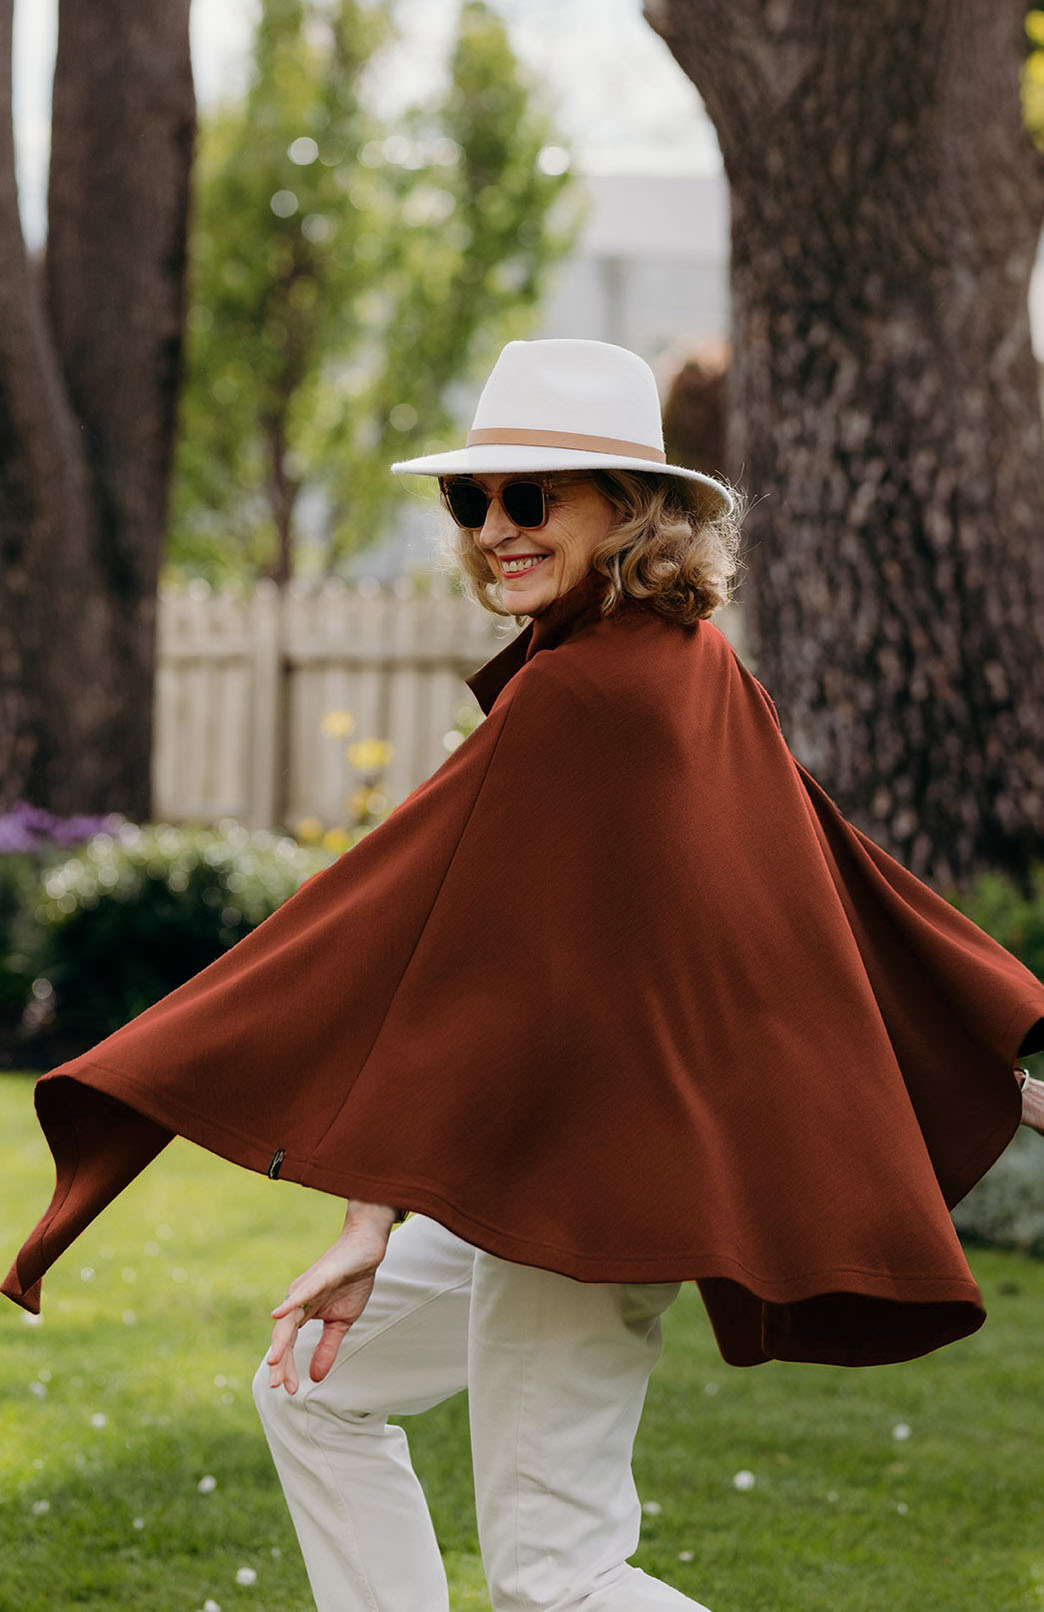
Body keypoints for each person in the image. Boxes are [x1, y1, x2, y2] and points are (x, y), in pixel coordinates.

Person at [5, 339, 1044, 1612]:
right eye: (471, 500)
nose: (495, 528)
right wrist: (979, 1037)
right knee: (313, 1390)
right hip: (545, 1164)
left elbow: (414, 944)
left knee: (559, 1575)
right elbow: (775, 898)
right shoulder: (678, 663)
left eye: (532, 495)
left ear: (629, 508)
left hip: (593, 1194)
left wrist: (363, 1210)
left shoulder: (596, 698)